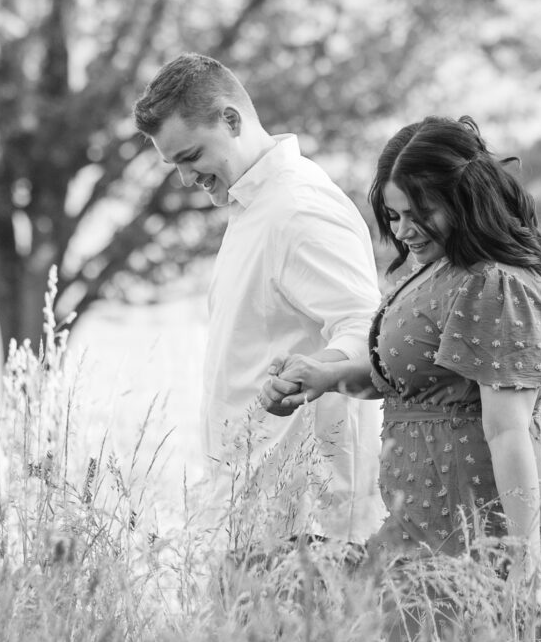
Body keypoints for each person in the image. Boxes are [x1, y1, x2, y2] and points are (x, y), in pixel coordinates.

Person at [261, 116, 541, 586]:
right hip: (418, 528)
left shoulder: (496, 285)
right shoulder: (436, 273)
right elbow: (406, 380)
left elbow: (509, 431)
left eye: (417, 214)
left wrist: (526, 573)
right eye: (393, 216)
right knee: (264, 577)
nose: (403, 231)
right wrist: (325, 377)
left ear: (464, 201)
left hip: (481, 537)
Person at [133, 53, 383, 551]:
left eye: (190, 158)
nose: (186, 179)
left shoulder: (299, 208)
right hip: (254, 516)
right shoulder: (254, 209)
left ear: (231, 119)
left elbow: (366, 329)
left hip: (307, 526)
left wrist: (317, 371)